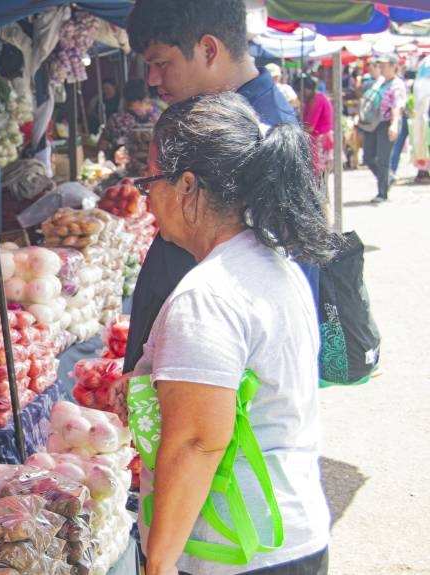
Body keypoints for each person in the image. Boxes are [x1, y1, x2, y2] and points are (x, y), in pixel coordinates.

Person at [133, 92, 334, 575]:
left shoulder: (206, 295)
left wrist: (158, 563)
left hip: (232, 551)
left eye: (149, 182)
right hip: (290, 532)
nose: (147, 200)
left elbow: (198, 442)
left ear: (186, 186)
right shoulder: (272, 264)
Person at [123, 0, 299, 374]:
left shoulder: (263, 131)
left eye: (161, 62)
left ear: (208, 50)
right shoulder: (226, 115)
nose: (153, 80)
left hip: (210, 380)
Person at [362, 54, 406, 203]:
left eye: (384, 65)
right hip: (373, 123)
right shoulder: (379, 82)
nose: (381, 68)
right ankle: (388, 178)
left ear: (394, 66)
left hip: (387, 123)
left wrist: (394, 125)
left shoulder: (397, 85)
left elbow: (397, 107)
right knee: (367, 157)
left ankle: (382, 193)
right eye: (380, 65)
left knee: (383, 159)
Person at [105, 78, 161, 149]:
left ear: (124, 98)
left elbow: (102, 144)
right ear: (145, 98)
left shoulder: (115, 119)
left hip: (120, 158)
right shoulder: (156, 119)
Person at [300, 75, 334, 176]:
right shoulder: (314, 99)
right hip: (318, 138)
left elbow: (310, 127)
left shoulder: (316, 100)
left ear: (308, 89)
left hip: (320, 139)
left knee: (319, 174)